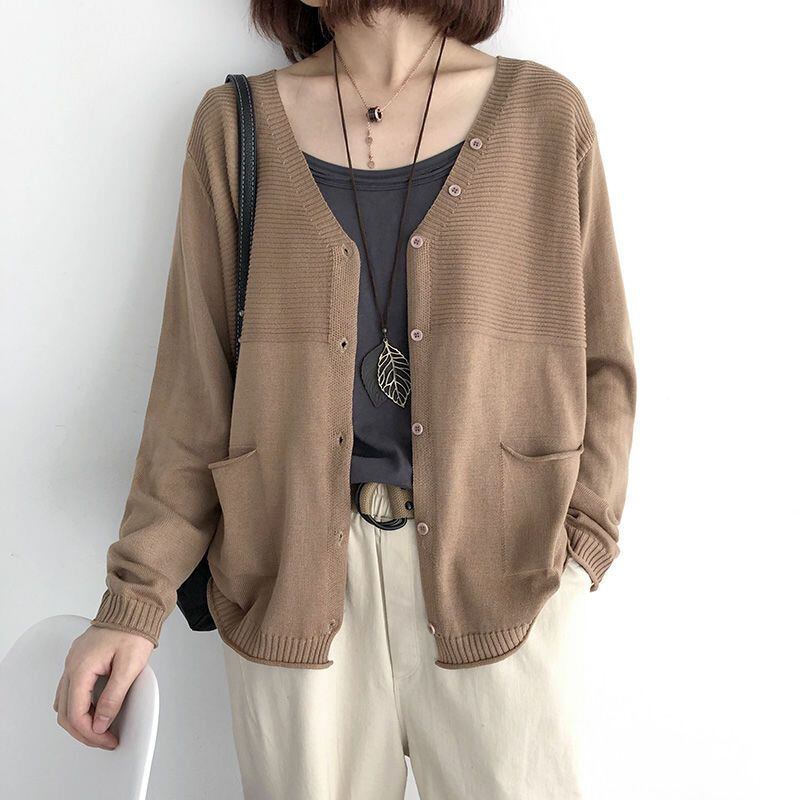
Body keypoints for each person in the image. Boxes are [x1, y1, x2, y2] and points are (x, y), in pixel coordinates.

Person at [54, 1, 636, 797]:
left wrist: (582, 547)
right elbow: (194, 391)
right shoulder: (235, 127)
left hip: (509, 576)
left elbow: (604, 361)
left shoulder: (544, 115)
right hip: (293, 580)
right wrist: (134, 602)